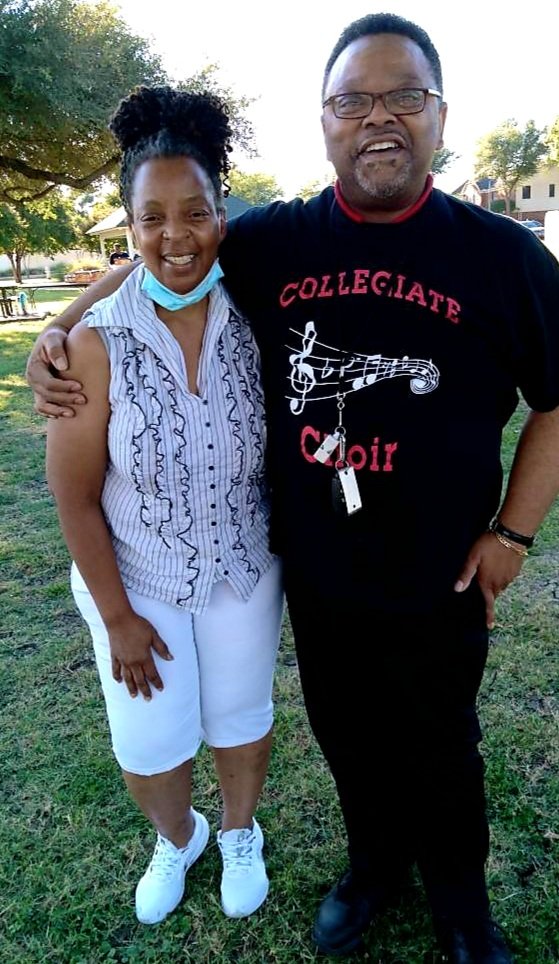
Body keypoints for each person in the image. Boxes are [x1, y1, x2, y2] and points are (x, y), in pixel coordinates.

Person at [28, 14, 559, 962]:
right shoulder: (274, 240)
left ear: (440, 114)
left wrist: (513, 536)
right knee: (347, 735)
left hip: (441, 574)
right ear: (326, 121)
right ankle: (373, 870)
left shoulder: (503, 256)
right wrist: (53, 336)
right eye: (353, 101)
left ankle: (463, 906)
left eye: (403, 97)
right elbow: (159, 255)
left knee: (440, 744)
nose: (378, 119)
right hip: (316, 572)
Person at [44, 86, 283, 927]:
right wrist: (117, 617)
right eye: (153, 218)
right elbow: (71, 494)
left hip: (243, 567)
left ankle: (239, 832)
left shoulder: (260, 307)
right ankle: (177, 837)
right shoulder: (95, 342)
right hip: (135, 578)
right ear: (129, 221)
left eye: (196, 213)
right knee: (149, 745)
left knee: (242, 720)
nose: (175, 237)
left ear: (224, 212)